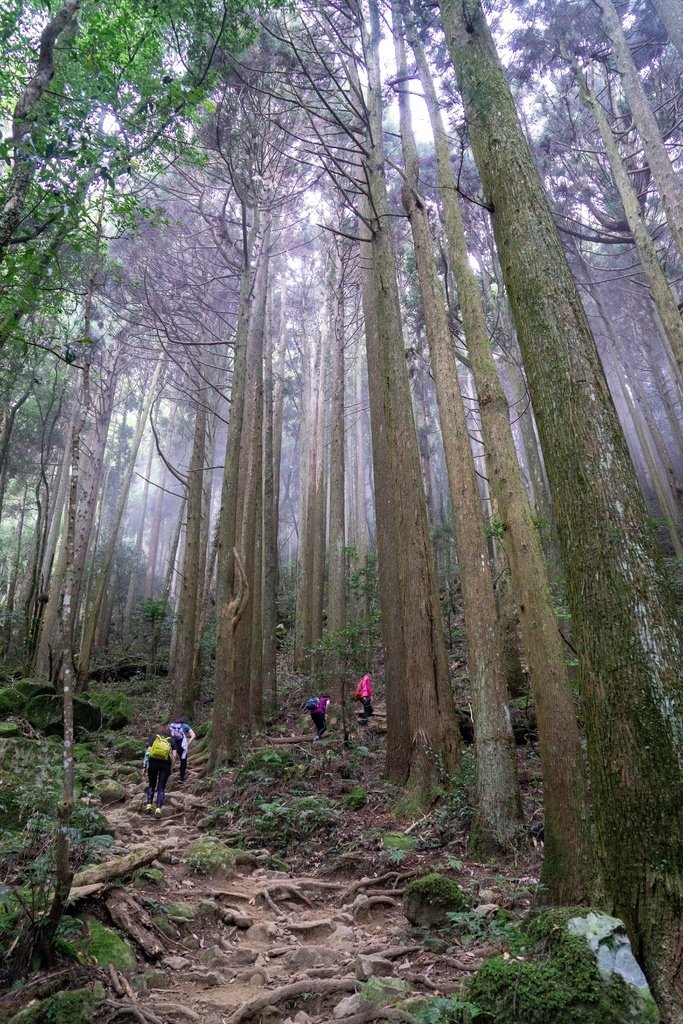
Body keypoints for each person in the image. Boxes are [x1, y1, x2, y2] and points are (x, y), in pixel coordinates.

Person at [143, 725, 179, 816]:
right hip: (165, 765)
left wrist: (144, 766)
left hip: (153, 763)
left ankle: (148, 807)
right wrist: (172, 766)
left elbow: (148, 753)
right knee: (161, 787)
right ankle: (158, 809)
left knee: (152, 785)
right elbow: (174, 756)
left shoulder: (154, 738)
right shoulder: (171, 740)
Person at [169, 717, 196, 784]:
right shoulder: (185, 726)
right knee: (183, 761)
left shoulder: (171, 725)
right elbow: (193, 736)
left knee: (172, 757)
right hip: (181, 746)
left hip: (172, 743)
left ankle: (168, 772)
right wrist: (188, 744)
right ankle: (181, 778)